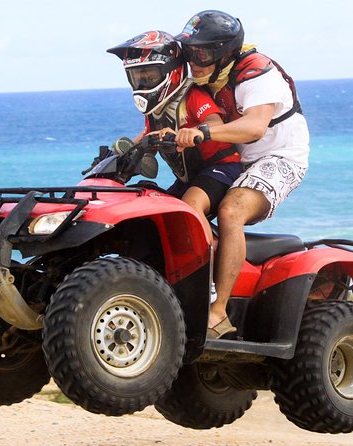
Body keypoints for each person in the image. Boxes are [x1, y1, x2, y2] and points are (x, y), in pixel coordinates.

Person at [174, 10, 310, 339]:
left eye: (202, 53)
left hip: (280, 157)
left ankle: (218, 311)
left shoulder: (257, 70)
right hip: (238, 159)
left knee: (231, 211)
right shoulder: (206, 78)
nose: (194, 60)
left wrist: (202, 133)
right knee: (176, 210)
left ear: (224, 52)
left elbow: (254, 127)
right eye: (189, 52)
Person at [107, 30, 242, 242]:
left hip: (222, 168)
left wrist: (192, 133)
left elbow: (215, 123)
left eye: (150, 76)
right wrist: (114, 157)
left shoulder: (192, 96)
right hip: (190, 177)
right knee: (157, 213)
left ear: (172, 71)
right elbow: (146, 136)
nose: (144, 83)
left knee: (190, 206)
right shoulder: (155, 109)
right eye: (137, 77)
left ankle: (204, 270)